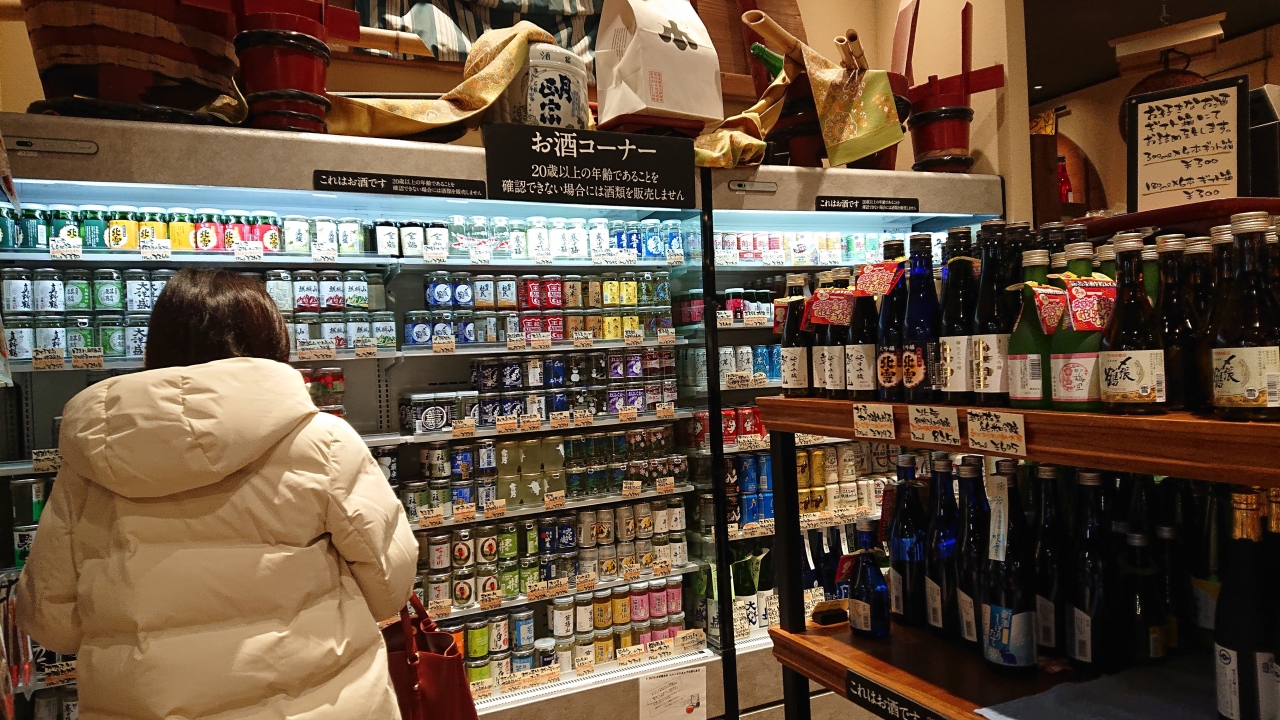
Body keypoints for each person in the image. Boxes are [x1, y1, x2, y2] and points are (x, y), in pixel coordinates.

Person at [18, 269, 417, 720]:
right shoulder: (323, 441)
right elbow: (389, 585)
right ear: (272, 341)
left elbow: (50, 622)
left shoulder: (91, 460)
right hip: (318, 704)